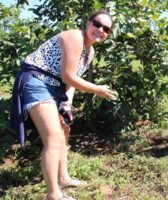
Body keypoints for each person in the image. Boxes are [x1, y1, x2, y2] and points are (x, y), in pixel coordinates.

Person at [9, 10, 115, 200]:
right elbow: (68, 76)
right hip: (36, 82)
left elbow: (71, 82)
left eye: (106, 28)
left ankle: (63, 178)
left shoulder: (90, 51)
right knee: (53, 138)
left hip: (54, 87)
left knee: (64, 129)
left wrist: (66, 105)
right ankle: (53, 195)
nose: (100, 30)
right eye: (97, 24)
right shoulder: (74, 37)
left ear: (108, 34)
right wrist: (96, 89)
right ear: (88, 22)